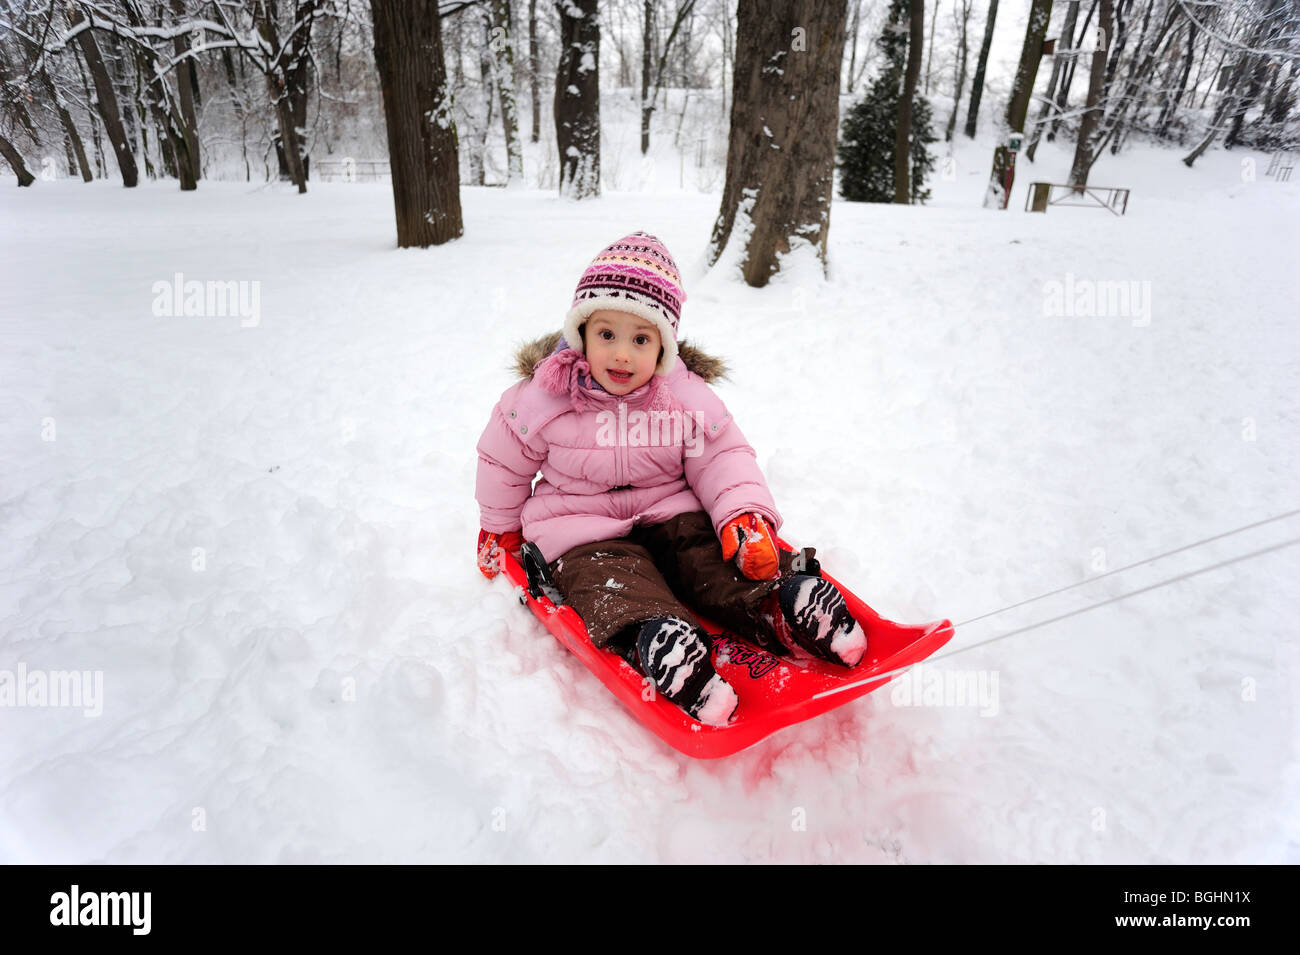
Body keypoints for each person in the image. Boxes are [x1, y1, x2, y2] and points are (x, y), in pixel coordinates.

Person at [475, 232, 865, 726]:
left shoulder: (681, 393)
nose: (621, 355)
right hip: (581, 529)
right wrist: (499, 525)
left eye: (640, 339)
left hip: (670, 512)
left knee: (710, 558)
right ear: (581, 333)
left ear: (663, 345)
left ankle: (785, 607)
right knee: (608, 583)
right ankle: (663, 643)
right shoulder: (544, 395)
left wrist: (741, 514)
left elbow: (720, 453)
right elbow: (503, 461)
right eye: (606, 335)